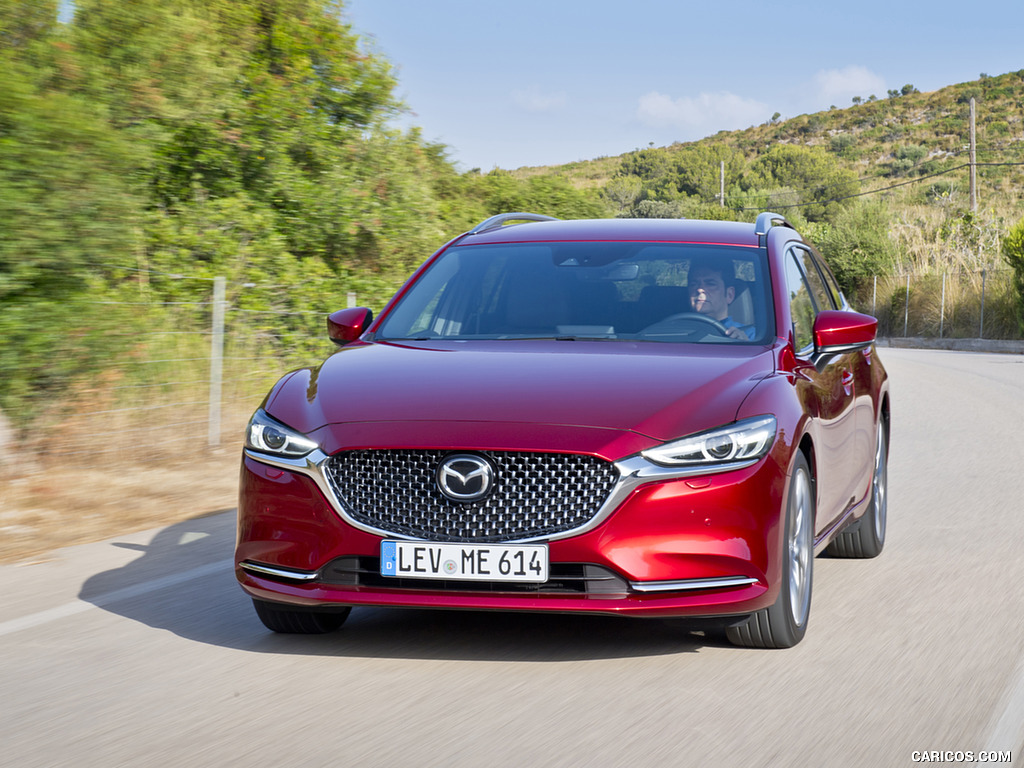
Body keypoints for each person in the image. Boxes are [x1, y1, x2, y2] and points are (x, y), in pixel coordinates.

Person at [688, 260, 756, 340]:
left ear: (729, 295)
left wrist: (745, 347)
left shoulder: (751, 335)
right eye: (693, 284)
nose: (699, 289)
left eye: (710, 284)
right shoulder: (675, 330)